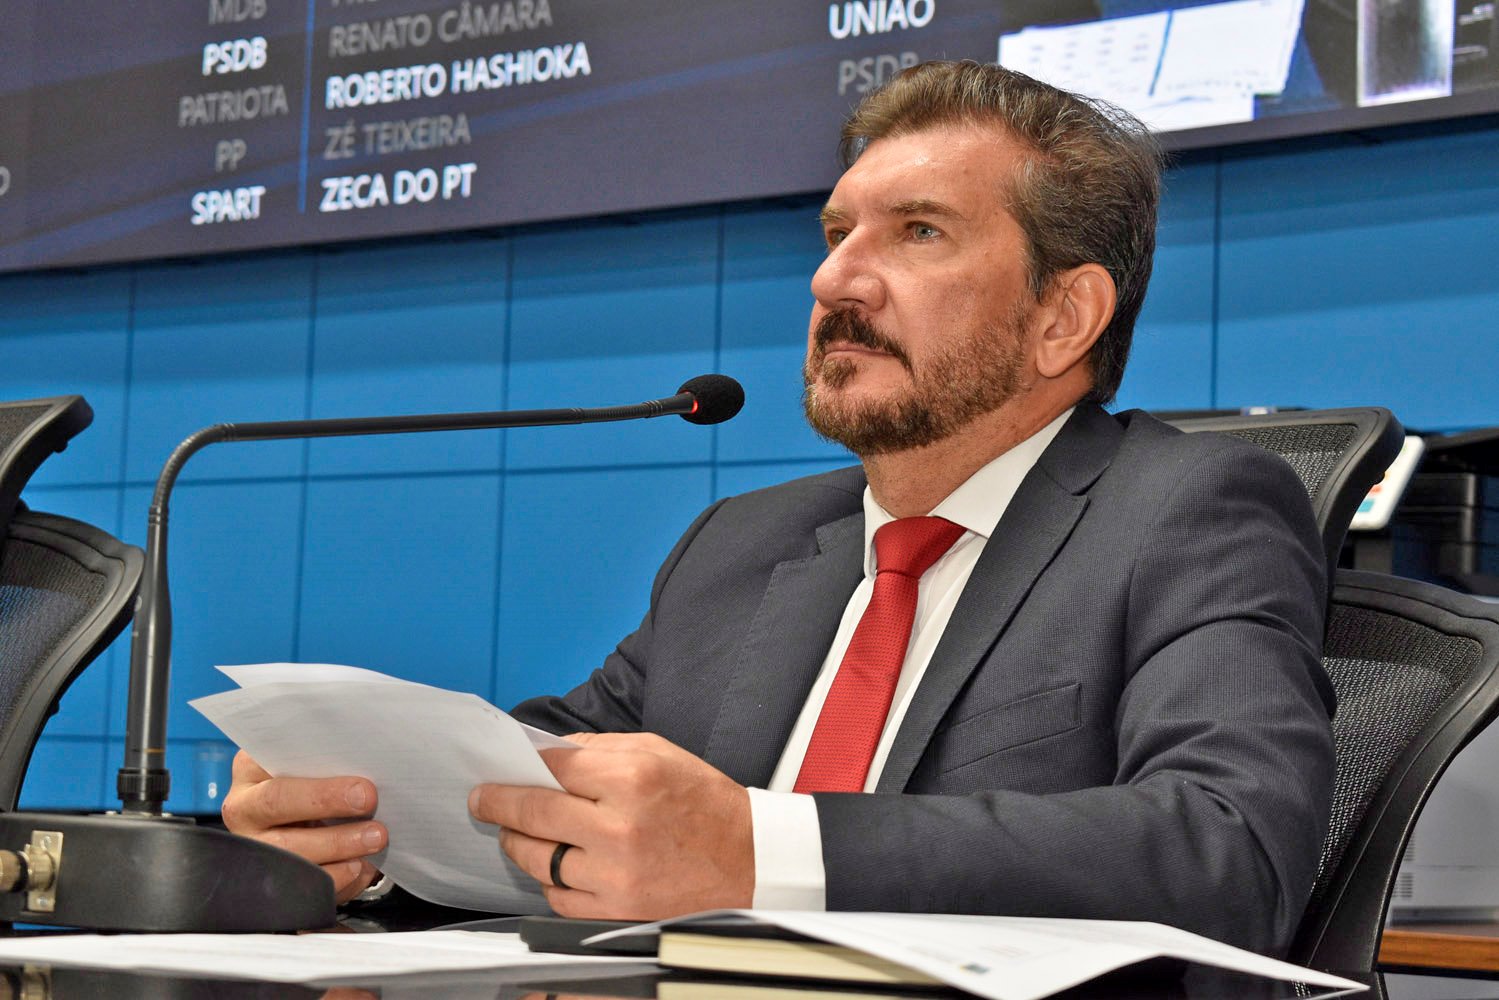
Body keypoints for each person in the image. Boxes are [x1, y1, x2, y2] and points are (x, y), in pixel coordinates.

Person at [222, 60, 1334, 957]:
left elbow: (1227, 848)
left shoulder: (1186, 510)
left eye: (919, 232)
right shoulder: (744, 542)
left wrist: (758, 850)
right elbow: (556, 773)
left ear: (1063, 317)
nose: (833, 281)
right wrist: (369, 822)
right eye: (836, 233)